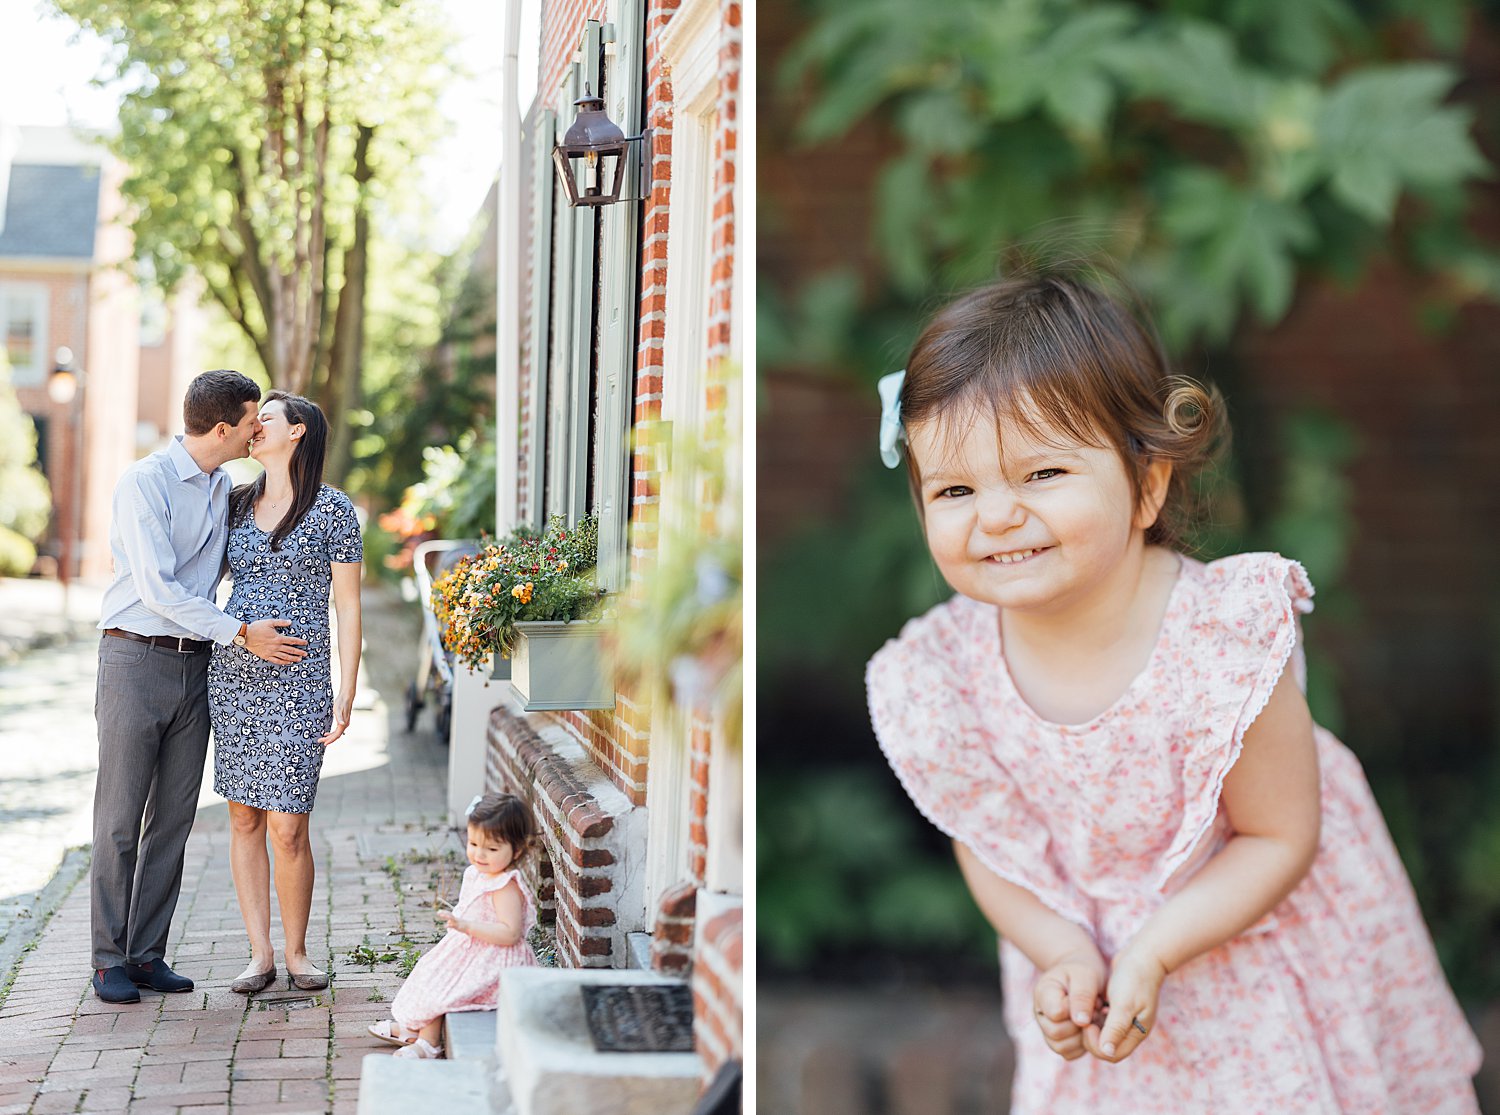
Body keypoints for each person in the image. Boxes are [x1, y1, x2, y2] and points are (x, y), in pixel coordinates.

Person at [866, 273, 1483, 1112]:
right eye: (956, 491)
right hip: (1095, 995)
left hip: (1258, 973)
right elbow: (991, 845)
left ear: (1147, 484)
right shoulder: (947, 676)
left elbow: (1279, 834)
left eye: (1042, 472)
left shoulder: (1220, 641)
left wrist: (1154, 949)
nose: (997, 515)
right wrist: (1061, 950)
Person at [92, 369, 307, 1004]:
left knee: (174, 820)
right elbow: (159, 591)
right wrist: (242, 633)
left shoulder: (224, 489)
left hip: (198, 668)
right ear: (222, 428)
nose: (255, 431)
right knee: (119, 818)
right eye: (250, 422)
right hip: (135, 659)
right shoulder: (145, 482)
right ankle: (108, 958)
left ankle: (147, 954)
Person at [209, 390, 363, 995]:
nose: (255, 426)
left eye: (265, 418)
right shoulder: (235, 504)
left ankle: (298, 953)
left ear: (297, 432)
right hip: (237, 677)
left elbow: (347, 609)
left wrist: (347, 689)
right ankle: (260, 954)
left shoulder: (333, 512)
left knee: (288, 826)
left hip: (300, 684)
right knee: (244, 818)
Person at [367, 793, 540, 1059]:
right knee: (430, 974)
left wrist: (466, 925)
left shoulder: (504, 887)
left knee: (446, 990)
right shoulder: (476, 872)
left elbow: (510, 933)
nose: (479, 854)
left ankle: (429, 1043)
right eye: (473, 843)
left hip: (496, 959)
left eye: (492, 849)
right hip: (473, 947)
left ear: (516, 851)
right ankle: (414, 1028)